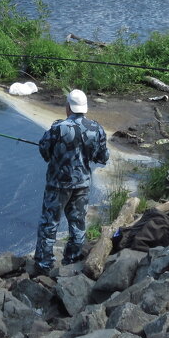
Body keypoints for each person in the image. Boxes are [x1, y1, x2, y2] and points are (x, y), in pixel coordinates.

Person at [33, 89, 108, 274]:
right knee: (78, 223)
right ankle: (72, 259)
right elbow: (102, 157)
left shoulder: (58, 128)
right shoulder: (96, 129)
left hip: (57, 186)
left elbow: (44, 150)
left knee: (49, 224)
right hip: (82, 185)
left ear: (68, 107)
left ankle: (44, 263)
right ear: (84, 108)